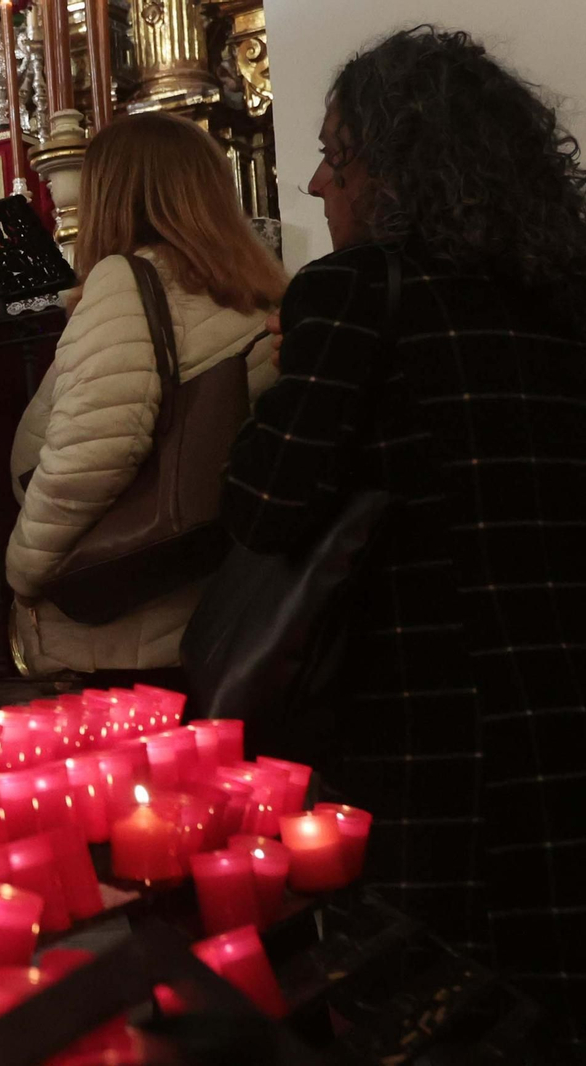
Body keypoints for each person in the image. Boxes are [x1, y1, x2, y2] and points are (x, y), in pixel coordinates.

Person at [222, 27, 586, 1050]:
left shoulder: (357, 293)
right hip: (560, 715)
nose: (315, 184)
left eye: (336, 154)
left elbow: (266, 509)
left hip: (432, 735)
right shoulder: (562, 297)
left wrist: (269, 387)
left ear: (393, 168)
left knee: (440, 1012)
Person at [6, 112, 285, 684]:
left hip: (124, 628)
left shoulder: (126, 282)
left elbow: (91, 456)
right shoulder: (258, 292)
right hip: (213, 611)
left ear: (113, 194)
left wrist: (25, 573)